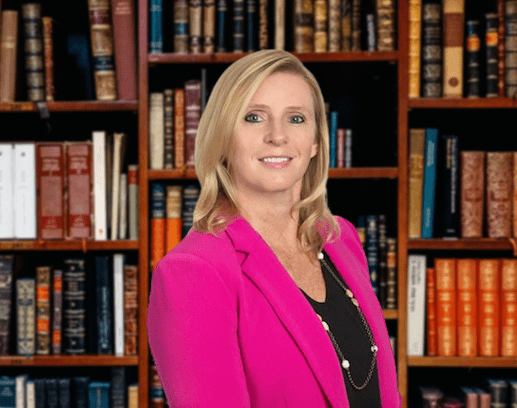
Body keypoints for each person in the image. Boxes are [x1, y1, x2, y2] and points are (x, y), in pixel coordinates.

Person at [147, 49, 401, 408]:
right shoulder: (193, 272)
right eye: (254, 117)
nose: (277, 136)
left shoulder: (340, 238)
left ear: (315, 141)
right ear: (223, 139)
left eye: (296, 118)